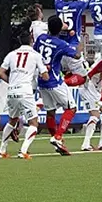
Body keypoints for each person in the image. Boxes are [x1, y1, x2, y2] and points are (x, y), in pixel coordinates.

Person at [34, 15, 83, 155]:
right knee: (71, 108)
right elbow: (76, 56)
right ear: (60, 28)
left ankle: (56, 141)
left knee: (50, 111)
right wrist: (79, 46)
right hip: (55, 81)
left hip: (42, 80)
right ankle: (58, 136)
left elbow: (35, 51)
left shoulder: (41, 38)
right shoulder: (61, 44)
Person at [0, 30, 49, 159]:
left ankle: (2, 150)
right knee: (33, 122)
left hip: (12, 90)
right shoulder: (35, 55)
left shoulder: (11, 54)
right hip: (25, 90)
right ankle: (23, 151)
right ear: (31, 40)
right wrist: (46, 70)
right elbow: (45, 76)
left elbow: (0, 73)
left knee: (12, 120)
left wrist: (12, 82)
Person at [55, 0, 91, 87]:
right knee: (83, 78)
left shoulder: (58, 4)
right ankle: (62, 84)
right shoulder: (77, 6)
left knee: (67, 72)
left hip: (60, 46)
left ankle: (62, 87)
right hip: (73, 46)